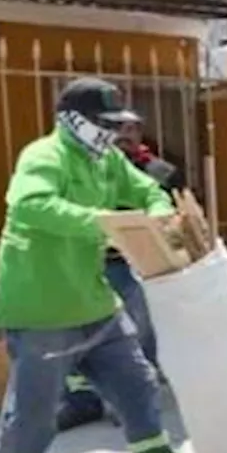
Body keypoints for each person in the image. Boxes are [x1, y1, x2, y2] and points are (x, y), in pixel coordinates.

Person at [0, 77, 211, 453]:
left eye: (116, 125)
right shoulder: (44, 157)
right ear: (74, 121)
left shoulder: (106, 161)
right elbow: (30, 205)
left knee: (138, 386)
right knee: (34, 417)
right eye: (105, 124)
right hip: (42, 310)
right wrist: (104, 223)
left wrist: (158, 216)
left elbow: (148, 189)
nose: (113, 134)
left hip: (94, 304)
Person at [56, 122, 181, 432]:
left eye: (132, 129)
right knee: (78, 332)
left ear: (141, 134)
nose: (124, 135)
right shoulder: (86, 169)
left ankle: (133, 399)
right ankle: (83, 401)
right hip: (87, 264)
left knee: (138, 334)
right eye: (117, 129)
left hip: (135, 264)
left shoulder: (157, 171)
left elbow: (172, 214)